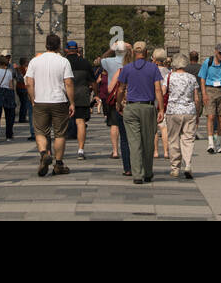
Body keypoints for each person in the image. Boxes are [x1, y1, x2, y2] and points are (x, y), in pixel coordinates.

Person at [111, 41, 164, 184]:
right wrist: (161, 109)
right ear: (146, 53)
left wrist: (118, 103)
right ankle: (147, 172)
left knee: (134, 142)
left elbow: (121, 89)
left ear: (133, 53)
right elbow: (158, 89)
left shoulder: (127, 68)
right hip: (148, 107)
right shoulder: (153, 68)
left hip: (131, 107)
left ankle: (137, 174)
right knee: (148, 141)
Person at [25, 34, 74, 176]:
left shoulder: (35, 61)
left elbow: (29, 82)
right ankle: (58, 164)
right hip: (59, 101)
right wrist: (72, 102)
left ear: (46, 45)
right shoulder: (63, 61)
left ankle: (43, 154)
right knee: (60, 133)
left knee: (40, 131)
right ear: (59, 46)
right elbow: (69, 83)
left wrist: (32, 98)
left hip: (40, 100)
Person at [163, 53, 200, 180]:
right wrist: (197, 112)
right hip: (189, 111)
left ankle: (175, 167)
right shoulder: (192, 78)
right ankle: (188, 164)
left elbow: (163, 92)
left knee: (173, 139)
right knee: (188, 139)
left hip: (173, 111)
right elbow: (196, 97)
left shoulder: (169, 77)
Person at [99, 42, 132, 175]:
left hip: (115, 96)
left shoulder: (109, 61)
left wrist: (110, 49)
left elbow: (101, 59)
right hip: (131, 97)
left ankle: (115, 151)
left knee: (114, 124)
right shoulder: (131, 61)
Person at [198, 44, 221, 154]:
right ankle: (210, 143)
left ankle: (218, 143)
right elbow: (202, 78)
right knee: (210, 116)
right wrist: (204, 93)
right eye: (220, 53)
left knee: (220, 117)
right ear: (215, 52)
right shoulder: (207, 62)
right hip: (210, 89)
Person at [64, 41, 96, 159]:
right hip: (82, 94)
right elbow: (92, 81)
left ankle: (58, 152)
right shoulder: (85, 62)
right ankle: (81, 150)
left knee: (61, 123)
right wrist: (96, 94)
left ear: (66, 50)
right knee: (81, 122)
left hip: (65, 95)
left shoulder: (63, 61)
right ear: (77, 49)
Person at [152, 48, 171, 159]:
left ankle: (155, 151)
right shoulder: (169, 72)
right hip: (165, 102)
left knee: (154, 128)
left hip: (153, 101)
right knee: (164, 128)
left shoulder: (151, 70)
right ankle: (166, 152)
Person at [185, 50, 202, 138]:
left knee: (189, 112)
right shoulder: (201, 67)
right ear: (197, 58)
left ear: (189, 58)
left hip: (188, 92)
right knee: (197, 113)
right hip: (198, 92)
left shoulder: (186, 68)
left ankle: (189, 130)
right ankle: (194, 131)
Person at [15, 56, 31, 123]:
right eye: (27, 62)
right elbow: (21, 79)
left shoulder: (19, 68)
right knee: (24, 103)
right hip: (22, 88)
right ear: (24, 63)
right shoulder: (22, 69)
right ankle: (22, 118)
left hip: (19, 88)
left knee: (23, 103)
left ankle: (22, 117)